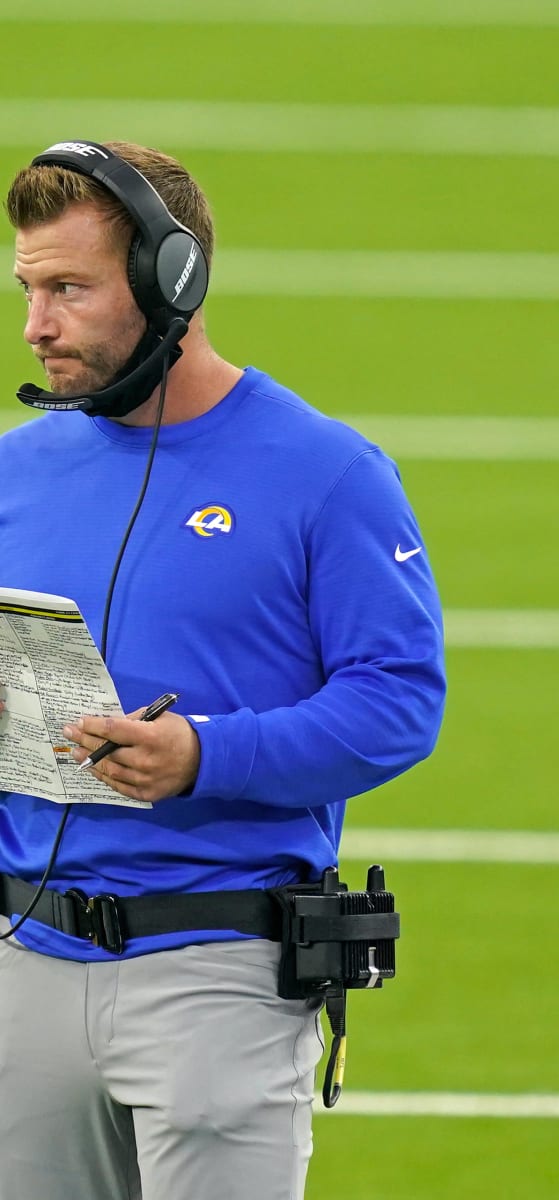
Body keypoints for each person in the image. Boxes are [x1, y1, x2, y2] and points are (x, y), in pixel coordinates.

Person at [0, 140, 445, 1199]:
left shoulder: (328, 474)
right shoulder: (13, 470)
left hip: (218, 976)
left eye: (69, 288)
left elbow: (400, 702)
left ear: (173, 282)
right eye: (27, 289)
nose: (36, 326)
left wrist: (205, 752)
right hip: (24, 960)